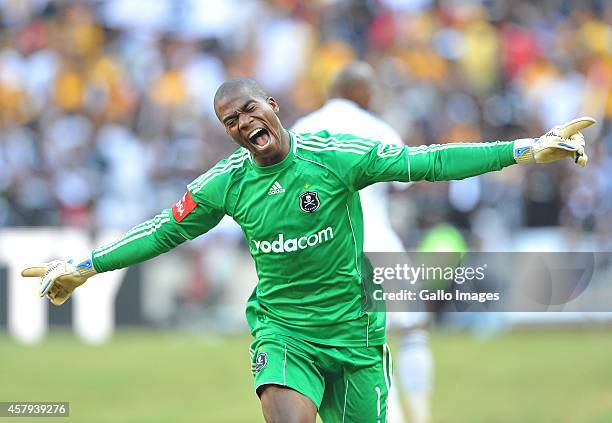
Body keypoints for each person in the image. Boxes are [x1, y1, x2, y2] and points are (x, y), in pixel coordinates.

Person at [22, 76, 594, 423]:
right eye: (231, 122)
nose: (244, 124)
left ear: (272, 105)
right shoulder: (226, 183)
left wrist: (525, 149)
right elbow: (160, 229)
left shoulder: (336, 156)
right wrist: (85, 265)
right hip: (285, 331)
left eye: (249, 110)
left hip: (354, 333)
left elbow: (429, 161)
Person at [292, 62, 424, 423]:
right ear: (361, 93)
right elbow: (405, 181)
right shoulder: (377, 127)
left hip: (325, 252)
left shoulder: (302, 128)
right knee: (411, 331)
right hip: (378, 238)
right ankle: (421, 414)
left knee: (354, 344)